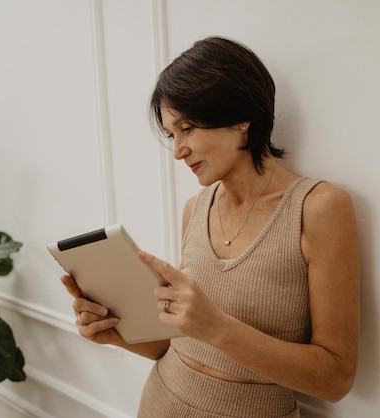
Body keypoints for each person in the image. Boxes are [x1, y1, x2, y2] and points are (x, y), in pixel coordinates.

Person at [61, 36, 359, 417]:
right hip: (160, 401)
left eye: (187, 128)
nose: (177, 151)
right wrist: (116, 333)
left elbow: (335, 380)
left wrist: (216, 325)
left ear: (240, 118)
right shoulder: (195, 209)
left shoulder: (319, 207)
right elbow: (180, 345)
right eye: (172, 134)